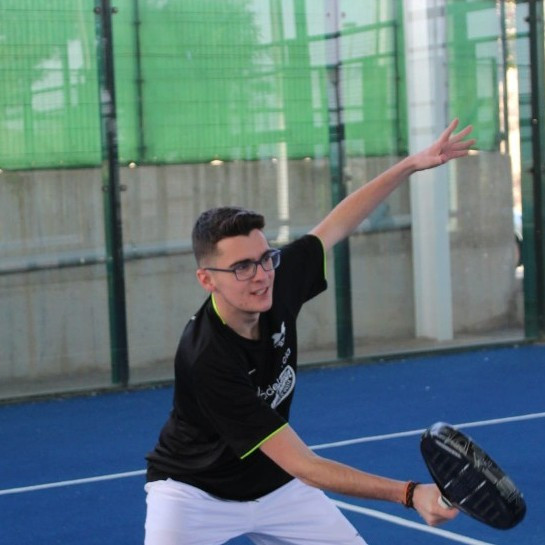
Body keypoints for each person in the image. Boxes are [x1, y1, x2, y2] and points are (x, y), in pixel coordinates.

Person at [144, 119, 475, 545]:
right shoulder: (206, 357)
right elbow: (307, 467)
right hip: (195, 495)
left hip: (276, 486)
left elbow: (337, 223)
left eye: (264, 258)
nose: (260, 275)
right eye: (241, 267)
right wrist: (410, 494)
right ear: (207, 279)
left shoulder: (275, 280)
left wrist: (410, 164)